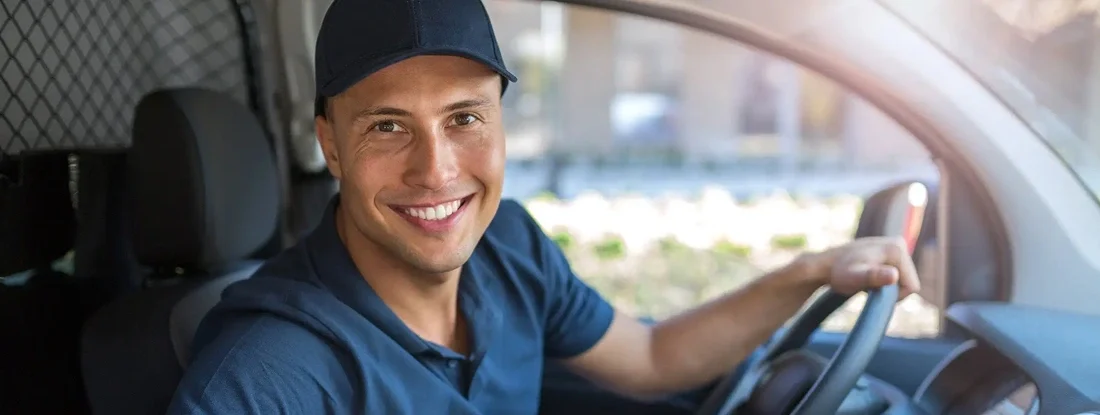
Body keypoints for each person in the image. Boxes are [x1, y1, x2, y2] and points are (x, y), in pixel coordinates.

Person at [166, 0, 921, 413]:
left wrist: (812, 270)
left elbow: (654, 358)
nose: (436, 171)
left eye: (464, 118)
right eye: (388, 127)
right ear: (329, 144)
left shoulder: (509, 250)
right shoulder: (268, 374)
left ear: (499, 123)